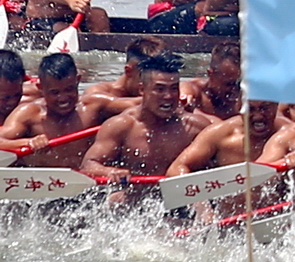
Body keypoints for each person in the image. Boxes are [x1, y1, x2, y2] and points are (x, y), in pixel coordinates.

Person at [81, 53, 210, 191]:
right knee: (115, 200)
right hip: (136, 201)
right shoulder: (121, 126)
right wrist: (110, 172)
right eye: (160, 89)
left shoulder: (195, 127)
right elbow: (88, 164)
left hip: (182, 198)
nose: (168, 96)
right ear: (142, 89)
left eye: (174, 89)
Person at [0, 51, 92, 167]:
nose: (13, 102)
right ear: (41, 88)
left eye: (17, 95)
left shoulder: (93, 105)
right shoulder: (27, 113)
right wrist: (28, 142)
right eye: (5, 98)